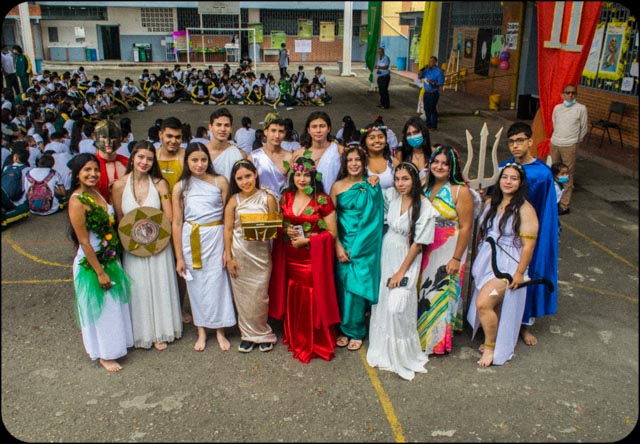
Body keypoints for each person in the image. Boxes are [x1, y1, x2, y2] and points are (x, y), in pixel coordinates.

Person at [366, 162, 437, 381]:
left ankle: (403, 354)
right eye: (397, 179)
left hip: (406, 257)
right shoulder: (393, 197)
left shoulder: (424, 207)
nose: (400, 183)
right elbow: (377, 195)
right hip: (387, 252)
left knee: (398, 305)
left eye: (405, 179)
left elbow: (418, 244)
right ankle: (384, 350)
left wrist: (401, 272)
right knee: (384, 302)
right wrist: (373, 180)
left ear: (415, 180)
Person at [111, 141, 182, 351]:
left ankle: (161, 331)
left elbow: (169, 216)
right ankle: (141, 332)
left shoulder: (160, 184)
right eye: (141, 157)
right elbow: (120, 218)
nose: (144, 162)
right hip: (133, 247)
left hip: (159, 245)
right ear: (132, 157)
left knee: (161, 284)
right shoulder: (119, 186)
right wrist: (133, 241)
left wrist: (152, 235)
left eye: (149, 159)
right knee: (138, 287)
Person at [268, 156, 340, 363]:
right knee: (293, 292)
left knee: (311, 295)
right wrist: (285, 230)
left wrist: (308, 240)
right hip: (290, 257)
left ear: (313, 176)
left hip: (311, 260)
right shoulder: (286, 197)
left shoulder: (322, 200)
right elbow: (279, 224)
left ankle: (313, 339)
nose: (302, 179)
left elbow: (332, 233)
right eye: (298, 174)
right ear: (292, 176)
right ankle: (296, 335)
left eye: (306, 175)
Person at [467, 163, 539, 366]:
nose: (508, 181)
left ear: (520, 183)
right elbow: (482, 230)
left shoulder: (525, 210)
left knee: (484, 303)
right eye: (505, 177)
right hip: (486, 261)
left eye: (513, 178)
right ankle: (494, 336)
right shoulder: (492, 203)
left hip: (507, 266)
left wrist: (519, 273)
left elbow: (528, 246)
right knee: (494, 303)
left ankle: (490, 347)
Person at [67, 153, 133, 372]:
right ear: (77, 174)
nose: (93, 174)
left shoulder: (97, 193)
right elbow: (84, 241)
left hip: (109, 256)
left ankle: (117, 344)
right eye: (87, 170)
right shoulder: (77, 200)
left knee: (114, 306)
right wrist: (99, 272)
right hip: (92, 262)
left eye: (96, 169)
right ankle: (104, 353)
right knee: (101, 310)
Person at [171, 142, 236, 352]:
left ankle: (220, 330)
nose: (199, 164)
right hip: (192, 237)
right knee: (196, 285)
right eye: (194, 160)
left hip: (216, 236)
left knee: (218, 283)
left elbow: (228, 218)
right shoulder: (181, 186)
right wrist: (179, 257)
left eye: (203, 160)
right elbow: (177, 222)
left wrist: (228, 250)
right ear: (187, 161)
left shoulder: (220, 181)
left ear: (209, 160)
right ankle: (201, 330)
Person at [499, 122, 558, 346]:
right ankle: (499, 319)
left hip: (529, 235)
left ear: (530, 141)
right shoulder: (504, 168)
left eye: (520, 140)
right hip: (506, 233)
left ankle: (524, 325)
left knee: (526, 275)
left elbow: (547, 210)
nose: (515, 145)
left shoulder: (542, 174)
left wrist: (543, 239)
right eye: (511, 142)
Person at [417, 146, 474, 355]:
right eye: (436, 162)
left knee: (439, 294)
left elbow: (466, 227)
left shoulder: (460, 191)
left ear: (452, 167)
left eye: (445, 163)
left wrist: (456, 258)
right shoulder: (424, 185)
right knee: (423, 292)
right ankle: (418, 335)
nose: (439, 166)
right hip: (424, 247)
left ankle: (436, 342)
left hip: (448, 249)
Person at [330, 145, 384, 351]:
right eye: (349, 160)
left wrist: (358, 248)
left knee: (357, 289)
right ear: (344, 163)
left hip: (364, 246)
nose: (354, 164)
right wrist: (338, 246)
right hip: (341, 242)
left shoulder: (371, 185)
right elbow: (330, 218)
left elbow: (373, 221)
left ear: (364, 163)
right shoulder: (337, 186)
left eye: (357, 160)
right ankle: (343, 329)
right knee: (342, 288)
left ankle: (356, 331)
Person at [223, 159, 279, 353]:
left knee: (260, 296)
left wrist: (264, 230)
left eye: (248, 176)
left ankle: (262, 332)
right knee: (243, 298)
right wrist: (229, 257)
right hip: (239, 254)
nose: (245, 181)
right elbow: (228, 230)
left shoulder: (267, 197)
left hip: (261, 255)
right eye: (240, 178)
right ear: (235, 181)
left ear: (255, 174)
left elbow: (274, 225)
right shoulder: (234, 200)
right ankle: (247, 335)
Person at [156, 117, 192, 325]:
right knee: (160, 266)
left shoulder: (186, 156)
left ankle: (179, 307)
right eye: (169, 136)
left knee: (181, 265)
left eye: (178, 137)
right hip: (157, 218)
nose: (173, 141)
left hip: (182, 218)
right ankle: (162, 310)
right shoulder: (152, 157)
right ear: (160, 134)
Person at [550, 84, 587, 216]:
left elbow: (584, 128)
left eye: (573, 93)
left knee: (566, 175)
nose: (570, 95)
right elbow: (554, 123)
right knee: (555, 173)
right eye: (568, 92)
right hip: (555, 142)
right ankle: (554, 200)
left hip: (569, 145)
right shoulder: (557, 108)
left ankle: (564, 205)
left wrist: (574, 141)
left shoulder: (581, 109)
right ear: (562, 95)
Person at [293, 111, 342, 193]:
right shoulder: (299, 153)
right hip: (306, 199)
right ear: (308, 130)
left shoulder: (338, 150)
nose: (318, 130)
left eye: (322, 126)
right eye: (314, 127)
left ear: (329, 129)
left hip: (333, 198)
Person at [248, 112, 293, 199]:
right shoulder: (253, 157)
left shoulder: (290, 158)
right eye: (273, 130)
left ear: (285, 134)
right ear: (266, 131)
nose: (277, 135)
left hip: (281, 204)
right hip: (258, 204)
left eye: (281, 131)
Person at [205, 108, 245, 182]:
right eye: (218, 125)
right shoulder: (201, 152)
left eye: (226, 125)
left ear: (231, 129)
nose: (223, 129)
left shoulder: (239, 154)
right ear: (210, 127)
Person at [92, 119, 128, 202]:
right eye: (104, 137)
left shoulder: (126, 162)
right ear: (95, 137)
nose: (108, 142)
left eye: (113, 138)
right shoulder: (89, 164)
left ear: (120, 138)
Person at [360, 121, 396, 191]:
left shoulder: (394, 162)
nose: (377, 140)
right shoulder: (360, 163)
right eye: (372, 138)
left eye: (381, 137)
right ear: (365, 142)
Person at [395, 117, 432, 184]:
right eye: (409, 134)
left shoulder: (433, 153)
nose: (412, 137)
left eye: (416, 132)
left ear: (423, 133)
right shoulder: (401, 154)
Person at [420, 56, 445, 131]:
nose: (430, 63)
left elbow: (440, 83)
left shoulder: (439, 71)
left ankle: (434, 126)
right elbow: (419, 76)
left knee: (432, 109)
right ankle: (428, 124)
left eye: (431, 61)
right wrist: (422, 69)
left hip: (433, 93)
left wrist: (432, 82)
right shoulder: (427, 70)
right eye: (429, 61)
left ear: (435, 62)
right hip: (426, 92)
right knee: (426, 109)